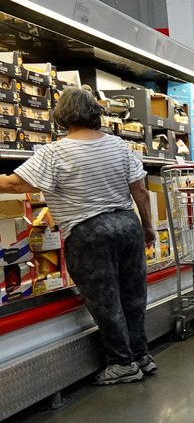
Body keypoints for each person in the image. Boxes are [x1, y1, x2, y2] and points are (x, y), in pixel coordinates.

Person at [0, 87, 157, 384]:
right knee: (133, 297)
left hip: (89, 232)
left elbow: (14, 185)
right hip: (127, 225)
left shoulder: (54, 152)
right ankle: (142, 356)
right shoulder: (119, 146)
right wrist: (147, 226)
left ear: (61, 116)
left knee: (105, 300)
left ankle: (122, 363)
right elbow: (141, 191)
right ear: (95, 113)